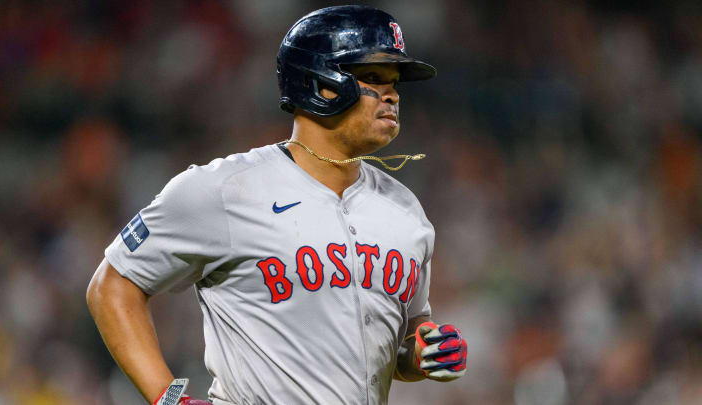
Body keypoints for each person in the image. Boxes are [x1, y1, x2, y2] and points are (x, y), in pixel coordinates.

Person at [87, 5, 467, 405]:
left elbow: (402, 342)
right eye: (373, 78)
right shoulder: (226, 189)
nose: (392, 94)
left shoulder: (405, 210)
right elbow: (112, 285)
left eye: (395, 83)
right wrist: (170, 399)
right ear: (321, 83)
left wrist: (425, 354)